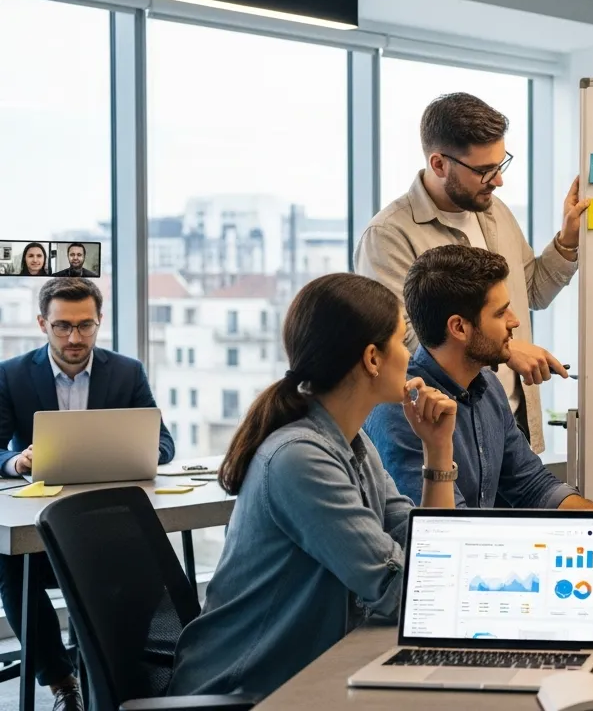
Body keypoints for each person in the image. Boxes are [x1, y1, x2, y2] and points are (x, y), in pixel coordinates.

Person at [169, 273, 459, 696]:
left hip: (304, 676)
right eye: (402, 341)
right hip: (245, 691)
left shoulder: (353, 443)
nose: (410, 355)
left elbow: (429, 550)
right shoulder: (300, 458)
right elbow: (404, 592)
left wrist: (437, 449)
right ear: (372, 358)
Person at [365, 245, 593, 546]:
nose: (515, 320)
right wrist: (579, 530)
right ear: (459, 328)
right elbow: (449, 532)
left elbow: (531, 484)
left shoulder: (488, 387)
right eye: (500, 312)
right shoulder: (403, 410)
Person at [355, 93, 586, 456]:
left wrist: (567, 241)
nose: (498, 181)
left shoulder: (496, 211)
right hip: (444, 436)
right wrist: (504, 350)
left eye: (500, 165)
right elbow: (402, 342)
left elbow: (532, 292)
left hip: (511, 426)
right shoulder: (388, 235)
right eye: (484, 171)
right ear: (439, 163)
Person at [0, 277, 174, 711]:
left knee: (149, 573)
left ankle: (114, 674)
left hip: (108, 524)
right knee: (10, 571)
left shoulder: (127, 372)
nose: (74, 338)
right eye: (62, 326)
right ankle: (62, 681)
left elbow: (164, 444)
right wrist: (16, 461)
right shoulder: (11, 374)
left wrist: (141, 449)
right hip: (39, 524)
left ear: (99, 322)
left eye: (85, 325)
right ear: (43, 323)